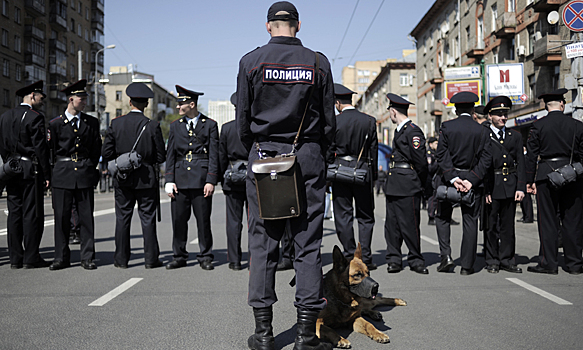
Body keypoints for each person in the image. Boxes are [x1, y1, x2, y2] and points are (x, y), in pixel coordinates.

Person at [236, 2, 335, 349]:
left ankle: (263, 335)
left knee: (262, 245)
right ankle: (306, 336)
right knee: (307, 246)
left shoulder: (250, 61)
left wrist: (261, 148)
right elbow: (328, 122)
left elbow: (242, 121)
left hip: (264, 155)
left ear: (268, 27)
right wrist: (316, 152)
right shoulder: (318, 62)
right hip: (306, 155)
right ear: (298, 25)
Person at [102, 82, 166, 269]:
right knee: (148, 219)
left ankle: (121, 260)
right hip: (146, 179)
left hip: (122, 177)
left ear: (129, 102)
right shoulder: (152, 125)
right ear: (146, 104)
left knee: (122, 218)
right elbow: (161, 156)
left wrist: (124, 160)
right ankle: (151, 260)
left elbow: (106, 153)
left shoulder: (115, 123)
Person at [526, 88, 583, 275]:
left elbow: (532, 156)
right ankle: (574, 264)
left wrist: (529, 180)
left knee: (548, 221)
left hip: (545, 176)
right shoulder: (577, 125)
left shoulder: (538, 126)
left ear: (545, 106)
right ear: (562, 104)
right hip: (572, 175)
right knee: (573, 220)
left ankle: (548, 263)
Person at [434, 92, 491, 275]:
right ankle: (467, 266)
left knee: (443, 218)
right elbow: (486, 159)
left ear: (456, 109)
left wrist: (453, 178)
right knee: (470, 221)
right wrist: (471, 180)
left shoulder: (447, 127)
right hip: (472, 183)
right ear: (473, 110)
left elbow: (441, 155)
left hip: (448, 181)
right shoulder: (482, 130)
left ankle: (446, 257)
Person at [48, 79, 101, 270]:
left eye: (86, 98)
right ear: (71, 99)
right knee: (61, 218)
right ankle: (60, 257)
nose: (85, 101)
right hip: (62, 174)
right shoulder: (55, 124)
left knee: (86, 218)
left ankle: (87, 257)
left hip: (85, 173)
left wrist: (89, 167)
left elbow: (96, 149)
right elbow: (50, 151)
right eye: (81, 98)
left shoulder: (91, 122)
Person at [165, 85, 218, 271]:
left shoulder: (210, 125)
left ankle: (205, 256)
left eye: (181, 104)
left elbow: (214, 154)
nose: (178, 107)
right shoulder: (174, 126)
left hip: (201, 179)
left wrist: (211, 180)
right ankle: (179, 255)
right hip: (180, 179)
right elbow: (170, 154)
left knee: (203, 220)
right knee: (178, 220)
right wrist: (169, 180)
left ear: (192, 104)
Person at [0, 80, 51, 269]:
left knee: (14, 213)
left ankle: (15, 258)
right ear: (32, 96)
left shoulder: (5, 116)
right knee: (31, 213)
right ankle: (31, 257)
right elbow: (41, 148)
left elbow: (2, 145)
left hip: (11, 168)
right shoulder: (35, 117)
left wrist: (8, 162)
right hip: (30, 170)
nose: (42, 100)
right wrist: (47, 174)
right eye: (41, 97)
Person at [327, 83, 378, 270]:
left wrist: (327, 172)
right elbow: (373, 151)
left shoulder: (334, 122)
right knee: (365, 216)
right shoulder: (369, 121)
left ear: (338, 103)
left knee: (343, 216)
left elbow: (328, 150)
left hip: (339, 172)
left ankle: (350, 254)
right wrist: (373, 177)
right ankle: (365, 256)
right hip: (362, 172)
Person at [383, 94, 428, 275]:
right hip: (395, 182)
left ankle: (416, 259)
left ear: (393, 111)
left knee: (409, 223)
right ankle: (394, 259)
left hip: (408, 184)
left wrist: (421, 184)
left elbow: (421, 162)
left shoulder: (412, 131)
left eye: (390, 112)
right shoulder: (400, 130)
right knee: (392, 225)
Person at [482, 96, 525, 274]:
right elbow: (481, 165)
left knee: (508, 226)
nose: (503, 118)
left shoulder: (514, 136)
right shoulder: (484, 135)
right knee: (491, 226)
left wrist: (521, 187)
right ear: (490, 116)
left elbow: (521, 162)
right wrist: (485, 190)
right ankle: (492, 260)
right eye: (499, 114)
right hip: (492, 185)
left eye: (505, 114)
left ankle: (507, 259)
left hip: (510, 185)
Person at [219, 92, 248, 271]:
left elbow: (221, 157)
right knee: (255, 223)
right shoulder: (256, 127)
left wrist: (222, 178)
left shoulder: (227, 128)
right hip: (254, 179)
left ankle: (235, 261)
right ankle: (255, 260)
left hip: (232, 179)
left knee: (233, 222)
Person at [518, 147, 534, 223]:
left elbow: (528, 169)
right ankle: (525, 215)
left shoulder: (526, 157)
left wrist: (529, 181)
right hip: (523, 181)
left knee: (527, 201)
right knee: (523, 201)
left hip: (526, 180)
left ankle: (528, 217)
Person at [426, 137, 439, 225]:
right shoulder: (429, 154)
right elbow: (430, 168)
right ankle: (431, 216)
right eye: (435, 143)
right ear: (431, 144)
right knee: (432, 198)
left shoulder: (435, 153)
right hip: (430, 179)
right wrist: (438, 162)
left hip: (436, 179)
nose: (437, 145)